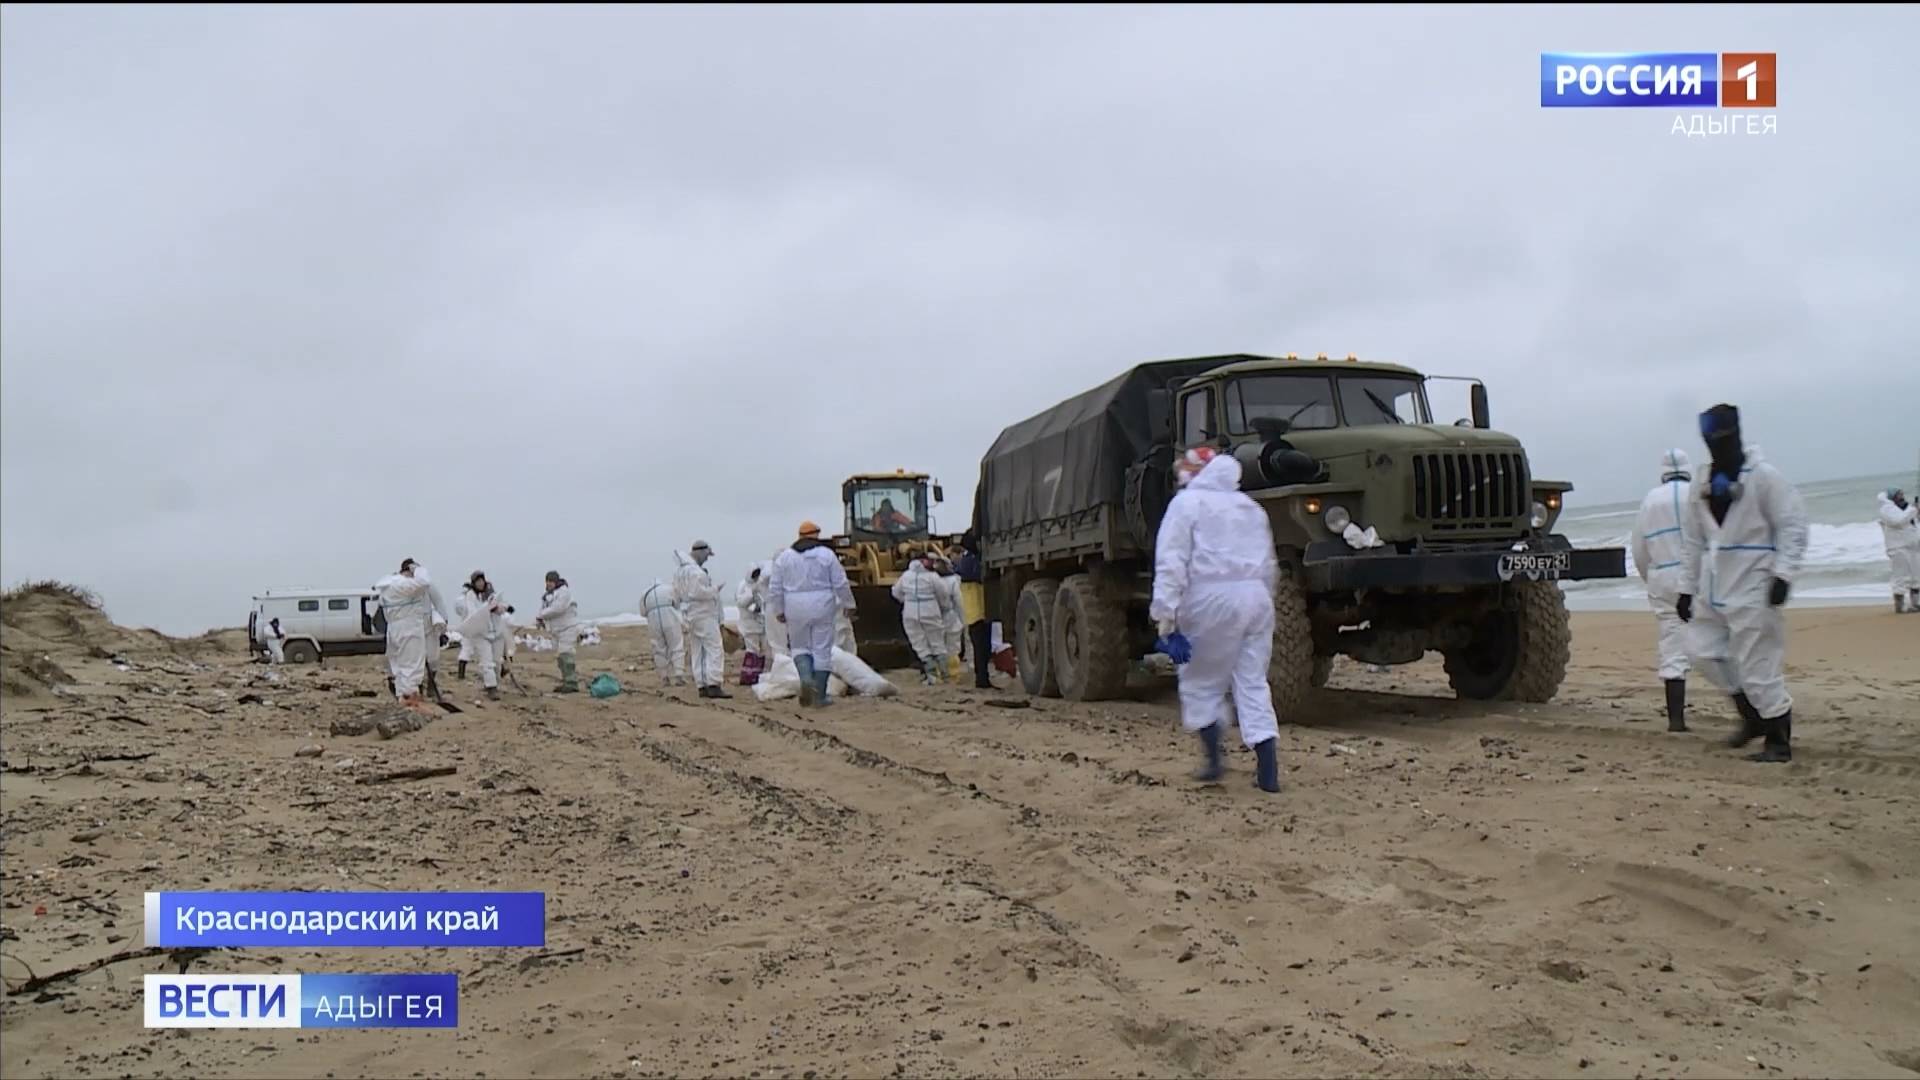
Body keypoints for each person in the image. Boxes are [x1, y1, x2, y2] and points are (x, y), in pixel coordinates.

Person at [1676, 404, 1810, 764]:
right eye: (1712, 439)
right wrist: (1686, 588)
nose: (1719, 445)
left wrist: (1783, 574)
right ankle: (1752, 717)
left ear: (1737, 434)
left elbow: (1793, 525)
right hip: (1714, 585)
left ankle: (1779, 739)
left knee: (1759, 663)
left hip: (1754, 582)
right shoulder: (1701, 484)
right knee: (1701, 651)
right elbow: (1692, 540)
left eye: (1725, 438)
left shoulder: (1765, 478)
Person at [1149, 447, 1282, 794]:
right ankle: (1268, 772)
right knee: (1252, 681)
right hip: (1257, 598)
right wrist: (1265, 600)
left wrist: (1166, 619)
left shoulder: (1185, 505)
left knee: (1201, 682)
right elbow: (1270, 564)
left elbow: (1171, 563)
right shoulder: (1251, 508)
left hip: (1210, 597)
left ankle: (1214, 762)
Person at [1630, 448, 1696, 732]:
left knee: (1672, 646)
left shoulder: (1650, 501)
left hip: (1662, 577)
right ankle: (1752, 714)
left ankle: (1676, 721)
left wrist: (1651, 579)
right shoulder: (1697, 494)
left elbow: (1639, 549)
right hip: (1698, 577)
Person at [771, 520, 856, 706]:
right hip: (822, 604)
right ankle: (820, 695)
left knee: (799, 647)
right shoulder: (827, 555)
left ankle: (806, 680)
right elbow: (841, 583)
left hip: (794, 605)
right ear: (816, 534)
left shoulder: (784, 557)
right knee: (822, 649)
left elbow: (775, 587)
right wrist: (849, 604)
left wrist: (778, 609)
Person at [374, 559, 437, 711]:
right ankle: (410, 699)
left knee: (399, 666)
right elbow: (425, 582)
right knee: (411, 663)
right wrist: (417, 569)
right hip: (408, 627)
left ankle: (402, 697)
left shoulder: (387, 585)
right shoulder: (403, 584)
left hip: (394, 628)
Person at [674, 541, 731, 699]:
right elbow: (697, 593)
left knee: (698, 649)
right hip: (703, 614)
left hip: (689, 615)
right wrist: (714, 590)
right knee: (714, 648)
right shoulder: (695, 572)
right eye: (707, 555)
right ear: (700, 552)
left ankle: (702, 684)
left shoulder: (680, 571)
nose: (707, 559)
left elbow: (677, 594)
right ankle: (713, 684)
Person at [892, 553, 954, 685]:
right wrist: (944, 608)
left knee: (919, 643)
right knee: (937, 641)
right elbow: (943, 595)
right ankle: (945, 674)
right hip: (930, 609)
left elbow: (896, 592)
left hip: (910, 612)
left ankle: (931, 675)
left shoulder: (905, 576)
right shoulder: (933, 577)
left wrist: (907, 601)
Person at [458, 570, 509, 701]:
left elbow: (503, 606)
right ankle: (491, 687)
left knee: (497, 661)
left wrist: (498, 609)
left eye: (482, 580)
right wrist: (487, 609)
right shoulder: (470, 596)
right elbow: (473, 613)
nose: (480, 583)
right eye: (477, 581)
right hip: (480, 633)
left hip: (496, 632)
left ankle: (495, 683)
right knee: (487, 661)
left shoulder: (492, 593)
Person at [954, 532, 993, 689]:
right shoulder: (970, 561)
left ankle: (983, 678)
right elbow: (978, 575)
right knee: (980, 647)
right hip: (976, 611)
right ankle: (981, 679)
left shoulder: (967, 560)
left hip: (979, 611)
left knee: (983, 647)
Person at [537, 571, 583, 694]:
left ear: (556, 581)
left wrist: (541, 615)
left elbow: (558, 608)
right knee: (561, 658)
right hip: (557, 631)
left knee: (566, 654)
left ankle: (571, 683)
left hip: (568, 628)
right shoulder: (547, 596)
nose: (549, 584)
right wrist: (540, 619)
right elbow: (545, 611)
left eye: (551, 581)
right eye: (547, 581)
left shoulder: (564, 592)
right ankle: (566, 681)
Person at [1877, 488, 1920, 614]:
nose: (1902, 496)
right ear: (1892, 497)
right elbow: (1898, 521)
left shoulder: (1905, 508)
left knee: (1916, 576)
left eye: (1902, 494)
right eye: (1899, 494)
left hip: (1913, 546)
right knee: (1900, 576)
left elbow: (1911, 524)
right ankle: (1900, 607)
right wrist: (1913, 510)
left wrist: (1916, 512)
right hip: (1898, 547)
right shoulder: (1886, 509)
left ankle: (1915, 604)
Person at [642, 579, 687, 687]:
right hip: (669, 615)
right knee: (676, 645)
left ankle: (664, 677)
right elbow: (677, 603)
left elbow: (643, 612)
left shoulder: (645, 593)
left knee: (658, 648)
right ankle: (679, 675)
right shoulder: (669, 588)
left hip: (653, 617)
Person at [735, 563, 771, 685]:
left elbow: (765, 599)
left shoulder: (759, 585)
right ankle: (749, 676)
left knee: (763, 649)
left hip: (760, 622)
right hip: (748, 623)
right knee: (752, 649)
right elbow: (741, 602)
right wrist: (751, 594)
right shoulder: (743, 586)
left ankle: (758, 674)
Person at [937, 556, 966, 680]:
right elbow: (959, 601)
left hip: (935, 617)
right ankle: (953, 675)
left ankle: (939, 675)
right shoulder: (954, 580)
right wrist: (963, 619)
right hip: (951, 617)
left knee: (938, 648)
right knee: (953, 649)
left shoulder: (932, 580)